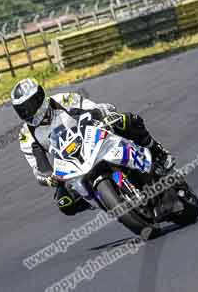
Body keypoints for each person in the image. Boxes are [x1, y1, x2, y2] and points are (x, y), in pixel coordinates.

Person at [13, 78, 176, 216]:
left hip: (93, 138)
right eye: (21, 110)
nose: (26, 112)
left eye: (28, 106)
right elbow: (39, 167)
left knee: (126, 120)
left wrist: (105, 115)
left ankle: (158, 152)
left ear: (39, 98)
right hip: (69, 162)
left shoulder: (63, 100)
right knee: (65, 203)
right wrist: (49, 178)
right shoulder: (26, 135)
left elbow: (96, 108)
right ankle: (103, 199)